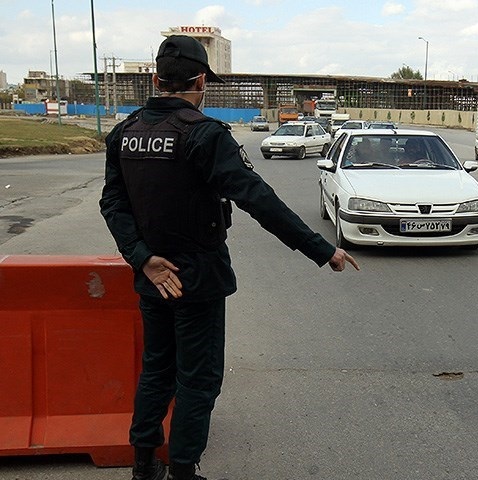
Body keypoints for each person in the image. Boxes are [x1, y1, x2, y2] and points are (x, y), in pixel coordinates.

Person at [99, 35, 359, 480]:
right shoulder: (204, 134)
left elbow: (113, 204)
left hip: (153, 277)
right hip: (198, 277)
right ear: (200, 81)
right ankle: (183, 470)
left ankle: (144, 467)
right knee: (197, 380)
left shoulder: (125, 132)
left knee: (156, 371)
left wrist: (143, 258)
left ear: (156, 79)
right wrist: (321, 249)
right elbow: (258, 199)